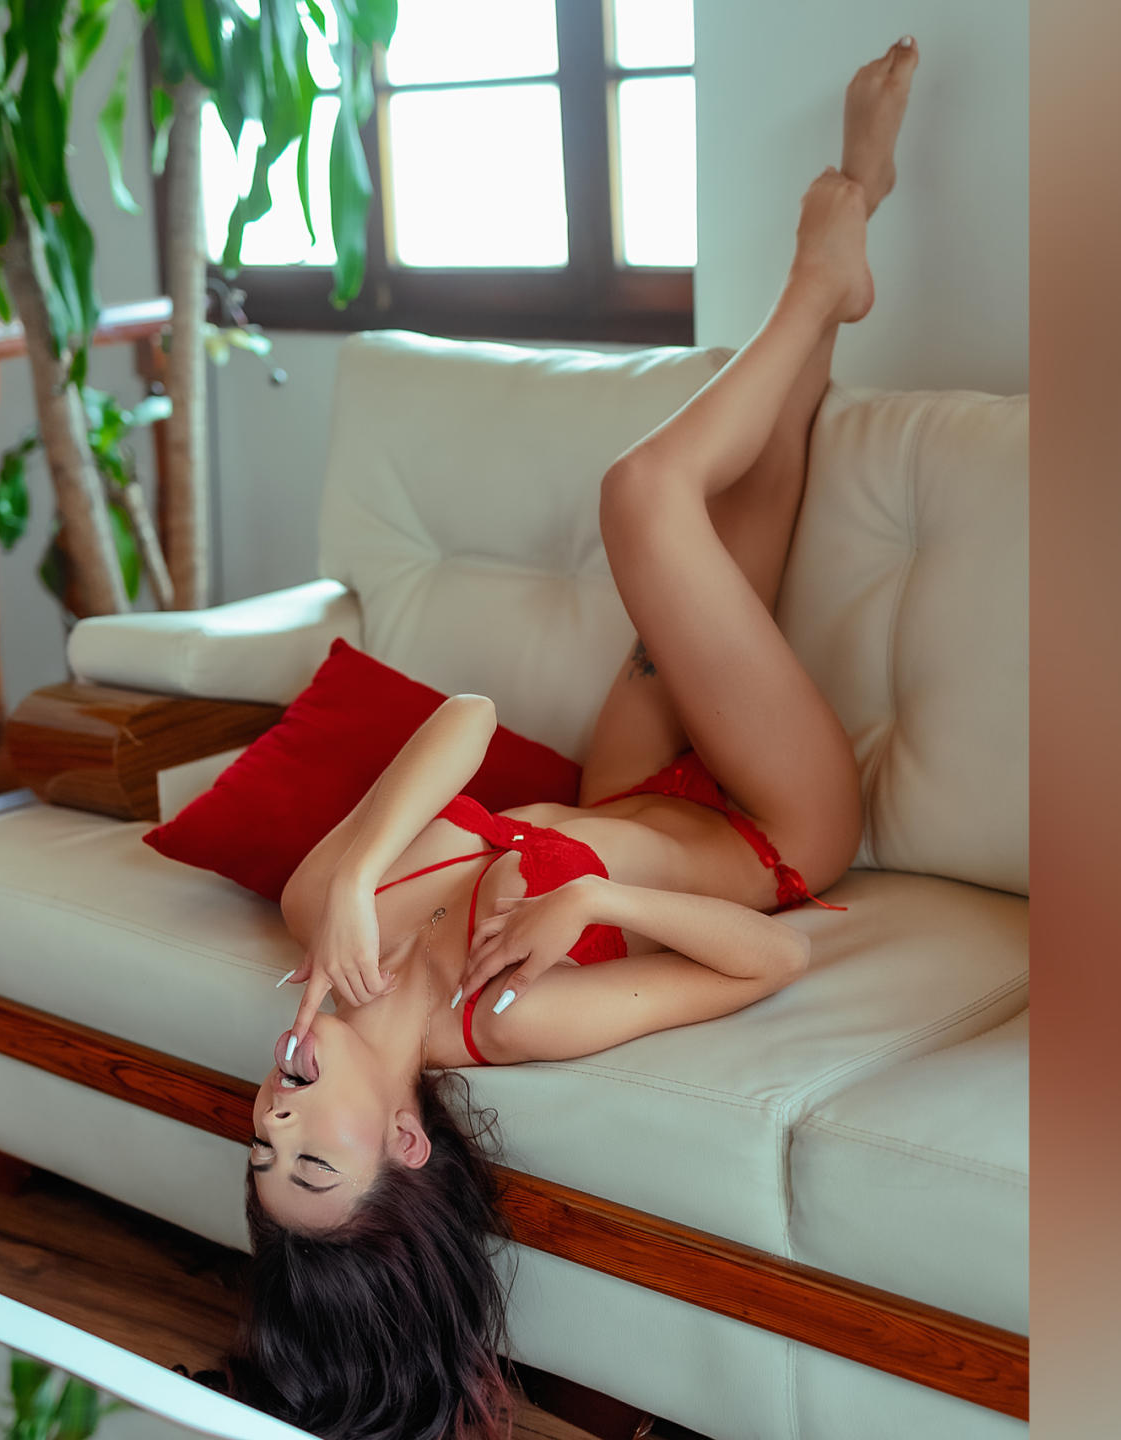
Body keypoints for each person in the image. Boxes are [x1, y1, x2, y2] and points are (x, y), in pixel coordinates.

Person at [225, 38, 922, 1440]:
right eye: (310, 1165)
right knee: (646, 497)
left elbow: (468, 722)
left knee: (741, 514)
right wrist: (597, 903)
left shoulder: (323, 912)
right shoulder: (511, 1020)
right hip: (768, 827)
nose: (274, 1125)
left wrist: (352, 870)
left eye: (259, 1153)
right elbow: (772, 959)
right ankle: (824, 270)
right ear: (404, 1140)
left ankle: (849, 230)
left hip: (631, 781)